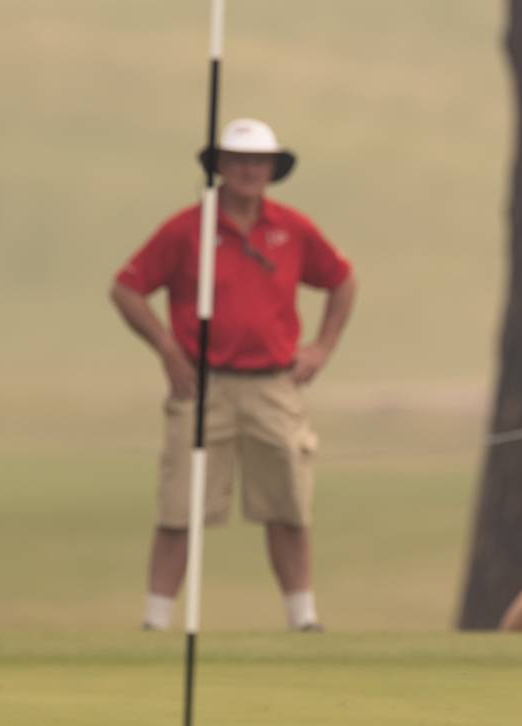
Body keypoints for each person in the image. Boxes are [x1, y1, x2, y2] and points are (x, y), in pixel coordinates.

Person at [111, 118, 357, 632]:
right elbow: (127, 288)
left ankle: (304, 618)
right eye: (240, 160)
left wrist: (322, 347)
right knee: (179, 507)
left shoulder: (292, 228)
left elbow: (342, 279)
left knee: (288, 505)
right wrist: (167, 349)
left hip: (274, 384)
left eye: (259, 161)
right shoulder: (188, 229)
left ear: (272, 169)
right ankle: (155, 621)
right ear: (221, 165)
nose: (249, 170)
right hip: (202, 384)